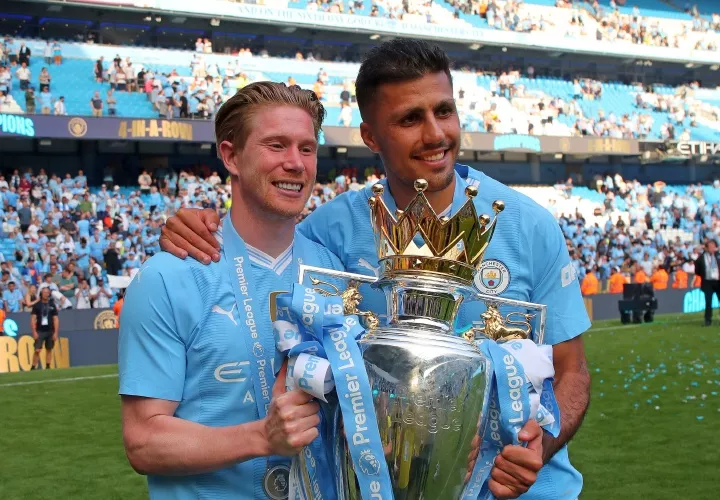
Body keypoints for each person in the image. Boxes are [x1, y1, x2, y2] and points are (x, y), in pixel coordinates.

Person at [160, 40, 590, 500]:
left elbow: (573, 372)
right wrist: (199, 223)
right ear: (370, 137)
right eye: (409, 119)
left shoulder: (528, 225)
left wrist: (536, 448)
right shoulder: (330, 234)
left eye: (444, 111)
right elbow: (260, 235)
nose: (435, 134)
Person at [118, 82, 347, 500]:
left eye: (307, 148)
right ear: (230, 156)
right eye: (276, 146)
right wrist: (261, 437)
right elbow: (143, 440)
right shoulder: (168, 277)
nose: (295, 163)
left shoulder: (332, 271)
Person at [30, 287, 59, 370]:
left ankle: (48, 366)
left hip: (50, 330)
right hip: (40, 330)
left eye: (47, 293)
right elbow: (33, 319)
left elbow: (56, 319)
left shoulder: (52, 305)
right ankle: (33, 366)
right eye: (44, 293)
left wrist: (56, 332)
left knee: (49, 348)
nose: (46, 294)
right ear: (41, 294)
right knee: (37, 349)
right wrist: (34, 331)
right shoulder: (37, 305)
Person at [694, 239, 720, 326]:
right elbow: (697, 270)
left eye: (713, 246)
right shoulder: (701, 258)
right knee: (708, 302)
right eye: (710, 246)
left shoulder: (718, 256)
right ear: (706, 248)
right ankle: (708, 320)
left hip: (718, 281)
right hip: (707, 282)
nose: (712, 248)